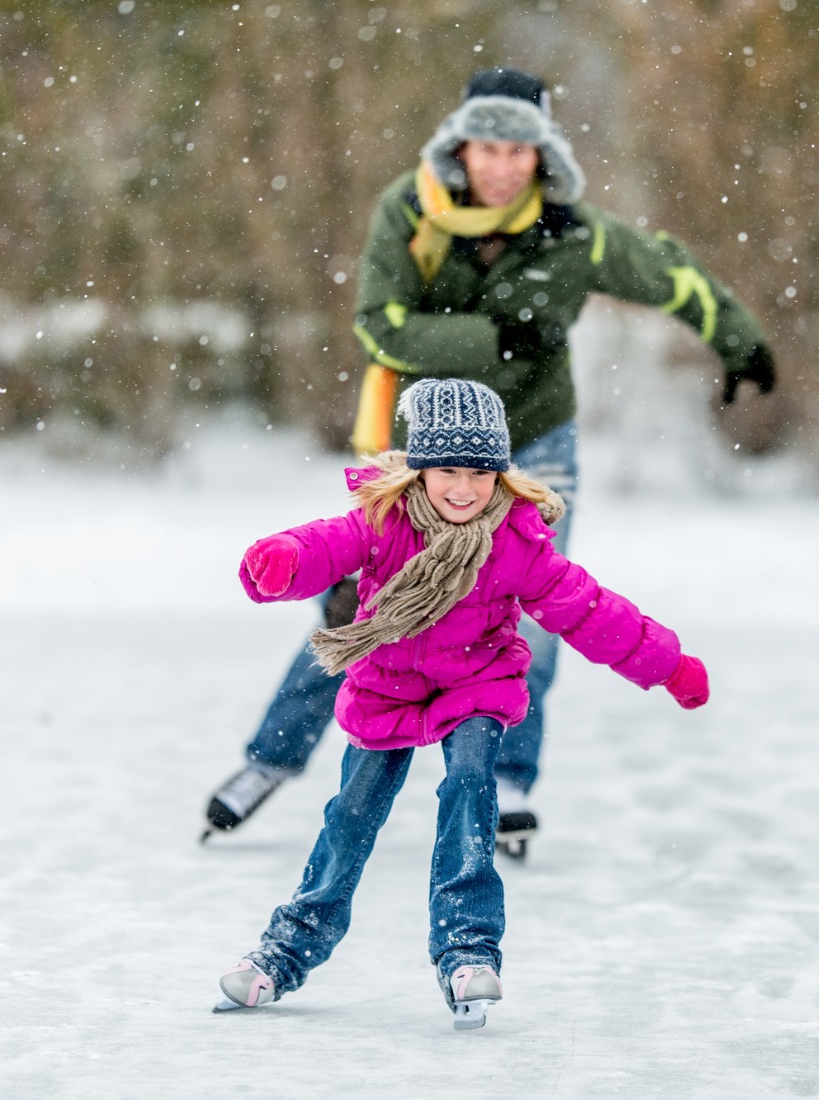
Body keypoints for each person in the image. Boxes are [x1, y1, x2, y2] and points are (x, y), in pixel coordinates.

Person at [203, 66, 774, 853]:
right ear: (460, 147)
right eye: (487, 148)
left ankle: (508, 778)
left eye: (519, 150)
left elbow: (670, 272)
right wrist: (493, 339)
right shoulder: (410, 211)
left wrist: (739, 341)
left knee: (536, 612)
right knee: (364, 608)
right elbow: (380, 324)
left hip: (534, 443)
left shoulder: (576, 233)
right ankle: (269, 760)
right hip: (422, 449)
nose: (502, 166)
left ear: (541, 155)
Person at [214, 378, 710, 1029]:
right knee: (351, 817)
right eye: (447, 469)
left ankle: (467, 949)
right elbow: (325, 544)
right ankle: (288, 948)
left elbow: (588, 609)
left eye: (481, 472)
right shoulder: (384, 522)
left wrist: (666, 663)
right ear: (419, 469)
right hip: (386, 685)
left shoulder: (515, 541)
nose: (464, 488)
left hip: (475, 685)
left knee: (472, 789)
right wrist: (279, 560)